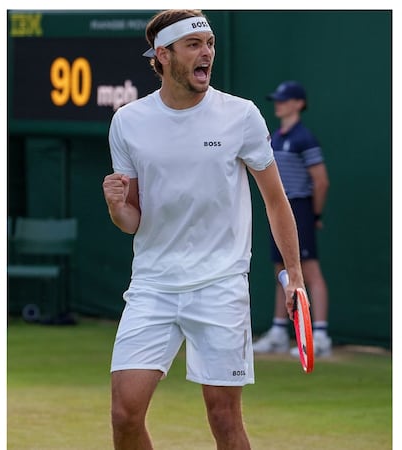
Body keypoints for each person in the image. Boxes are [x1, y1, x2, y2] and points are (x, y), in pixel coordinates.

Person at [102, 10, 304, 450]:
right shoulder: (128, 121)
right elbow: (132, 222)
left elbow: (275, 200)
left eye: (209, 43)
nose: (206, 52)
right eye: (193, 44)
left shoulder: (242, 116)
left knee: (224, 418)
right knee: (124, 414)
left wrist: (294, 276)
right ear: (163, 55)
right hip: (152, 285)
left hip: (220, 283)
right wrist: (117, 207)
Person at [253, 80, 332, 358]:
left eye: (284, 100)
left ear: (299, 104)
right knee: (282, 271)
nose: (279, 104)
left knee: (309, 272)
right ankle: (278, 332)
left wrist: (314, 214)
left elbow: (321, 181)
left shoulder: (304, 138)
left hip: (300, 208)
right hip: (280, 208)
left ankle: (320, 335)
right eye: (277, 99)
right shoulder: (275, 137)